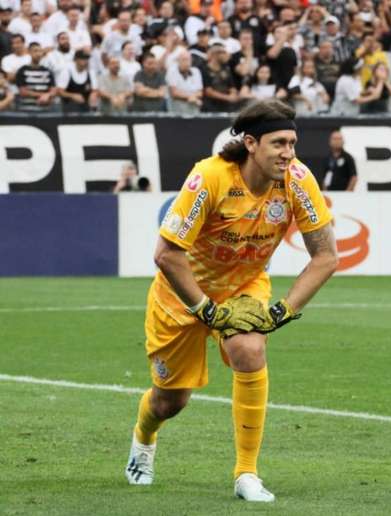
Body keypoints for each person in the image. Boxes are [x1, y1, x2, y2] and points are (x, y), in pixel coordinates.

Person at [124, 99, 338, 503]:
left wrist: (283, 310)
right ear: (252, 144)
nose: (288, 153)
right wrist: (204, 309)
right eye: (279, 143)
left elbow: (326, 256)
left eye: (292, 143)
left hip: (245, 287)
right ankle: (144, 439)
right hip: (180, 295)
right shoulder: (209, 178)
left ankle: (246, 474)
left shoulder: (297, 179)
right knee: (171, 401)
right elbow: (167, 254)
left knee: (249, 348)